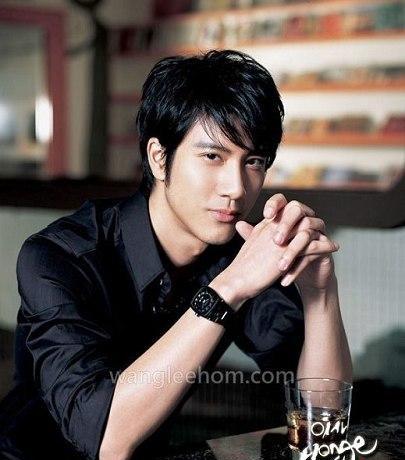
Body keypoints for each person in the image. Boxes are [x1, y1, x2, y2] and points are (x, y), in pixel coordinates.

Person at [0, 49, 352, 460]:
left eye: (253, 161)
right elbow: (107, 440)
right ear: (159, 158)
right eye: (212, 156)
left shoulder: (234, 256)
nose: (237, 188)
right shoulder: (59, 257)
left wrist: (320, 293)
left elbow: (321, 416)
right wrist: (229, 288)